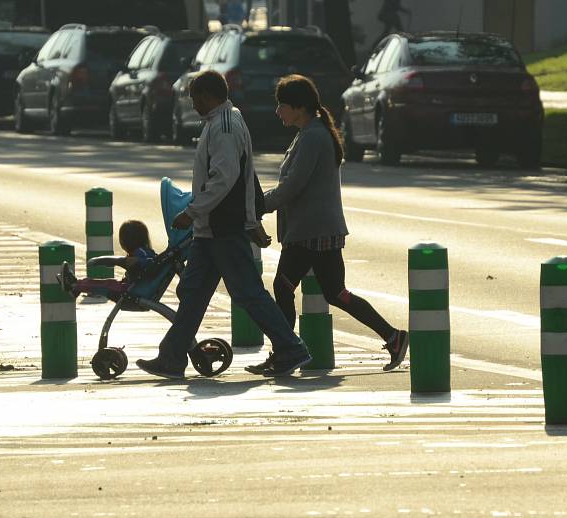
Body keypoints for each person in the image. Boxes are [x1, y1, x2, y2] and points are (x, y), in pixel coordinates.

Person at [135, 70, 312, 379]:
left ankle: (290, 348)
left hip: (222, 227)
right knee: (192, 292)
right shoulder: (218, 123)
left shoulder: (226, 126)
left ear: (208, 94)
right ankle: (172, 357)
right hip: (208, 230)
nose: (192, 105)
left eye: (194, 98)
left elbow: (225, 177)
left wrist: (193, 211)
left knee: (247, 292)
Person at [244, 74, 408, 374]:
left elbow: (293, 185)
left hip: (311, 232)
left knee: (283, 287)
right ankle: (393, 336)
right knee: (336, 293)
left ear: (299, 107)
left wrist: (258, 206)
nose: (278, 112)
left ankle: (286, 352)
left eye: (282, 105)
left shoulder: (314, 137)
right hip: (319, 231)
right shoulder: (309, 133)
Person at [57, 220, 156, 299]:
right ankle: (76, 286)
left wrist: (128, 261)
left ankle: (74, 285)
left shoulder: (142, 253)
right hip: (134, 287)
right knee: (107, 283)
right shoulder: (144, 251)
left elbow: (147, 261)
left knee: (105, 285)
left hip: (131, 291)